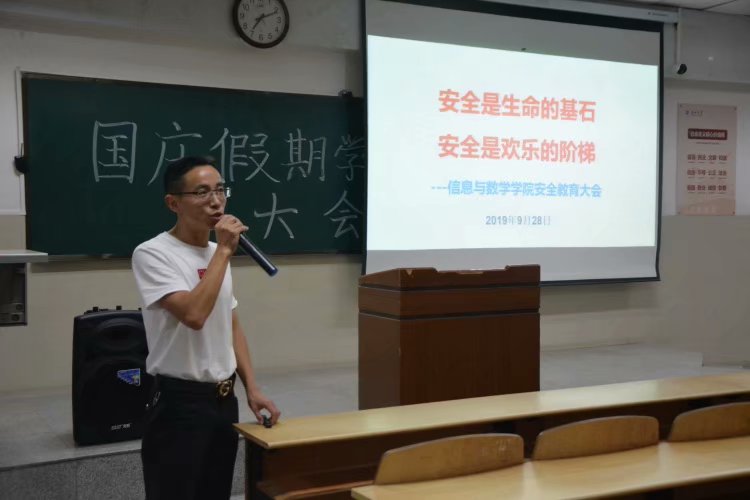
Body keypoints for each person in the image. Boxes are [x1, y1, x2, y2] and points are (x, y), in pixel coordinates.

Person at [132, 155, 280, 500]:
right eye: (201, 192)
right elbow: (194, 316)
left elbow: (230, 323)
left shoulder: (216, 253)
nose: (216, 201)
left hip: (223, 400)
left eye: (220, 190)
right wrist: (224, 252)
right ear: (173, 203)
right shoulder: (153, 254)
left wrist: (252, 388)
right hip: (179, 403)